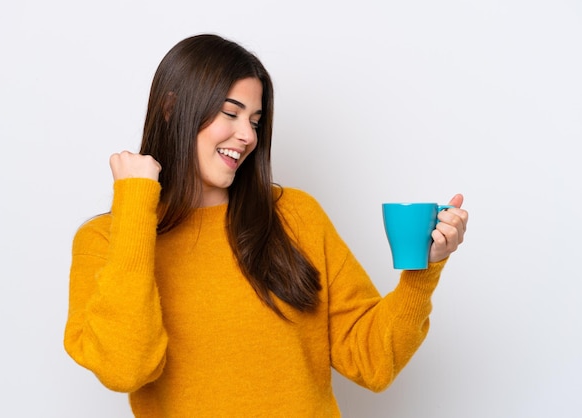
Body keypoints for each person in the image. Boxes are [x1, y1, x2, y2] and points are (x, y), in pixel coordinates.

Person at [63, 33, 469, 417]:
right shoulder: (104, 240)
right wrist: (135, 205)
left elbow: (373, 362)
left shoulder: (295, 215)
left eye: (255, 121)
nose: (247, 136)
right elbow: (125, 368)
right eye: (230, 113)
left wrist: (422, 270)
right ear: (171, 109)